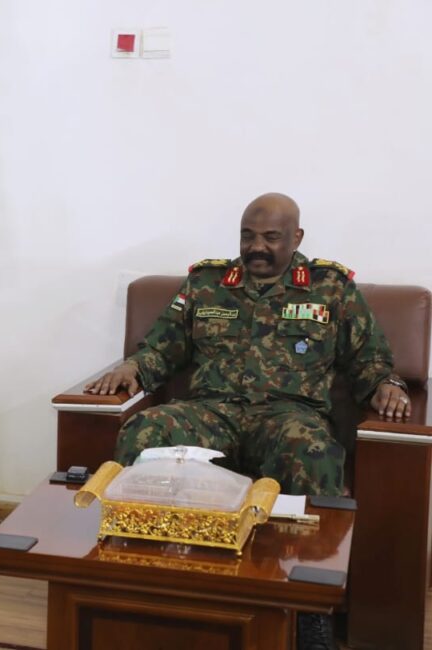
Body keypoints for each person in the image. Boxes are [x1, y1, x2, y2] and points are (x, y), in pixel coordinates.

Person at [86, 192, 408, 650]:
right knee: (145, 431)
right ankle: (141, 587)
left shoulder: (331, 288)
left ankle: (310, 611)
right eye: (247, 236)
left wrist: (386, 385)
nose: (256, 247)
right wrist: (133, 368)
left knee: (313, 454)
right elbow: (161, 347)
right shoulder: (206, 284)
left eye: (271, 237)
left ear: (296, 237)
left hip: (288, 416)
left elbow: (369, 359)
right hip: (211, 411)